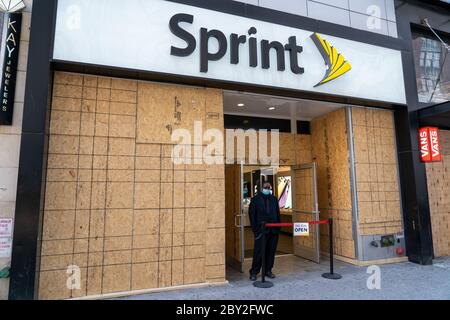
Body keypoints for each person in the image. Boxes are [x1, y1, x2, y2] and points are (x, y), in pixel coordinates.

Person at [248, 181, 281, 281]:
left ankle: (268, 270)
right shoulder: (255, 200)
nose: (267, 188)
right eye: (266, 187)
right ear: (261, 188)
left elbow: (277, 214)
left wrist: (278, 228)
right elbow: (252, 215)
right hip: (261, 231)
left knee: (271, 252)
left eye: (269, 187)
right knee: (259, 252)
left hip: (273, 231)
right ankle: (254, 272)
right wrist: (255, 230)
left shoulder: (274, 199)